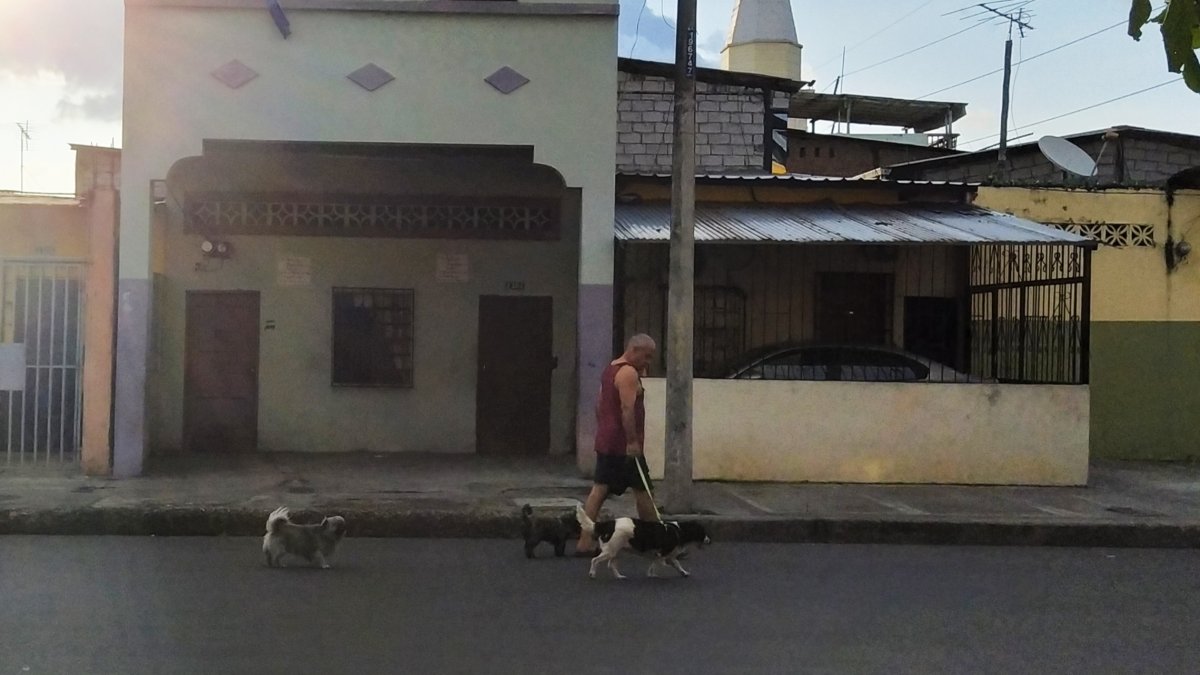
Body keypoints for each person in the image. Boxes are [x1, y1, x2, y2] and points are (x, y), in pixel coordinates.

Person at [575, 333, 660, 556]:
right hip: (624, 445)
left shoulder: (611, 368)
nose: (648, 362)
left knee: (600, 489)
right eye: (646, 356)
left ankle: (584, 542)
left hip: (608, 440)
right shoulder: (628, 373)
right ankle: (658, 542)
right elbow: (627, 409)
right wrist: (631, 441)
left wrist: (604, 427)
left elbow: (599, 403)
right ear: (633, 350)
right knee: (643, 489)